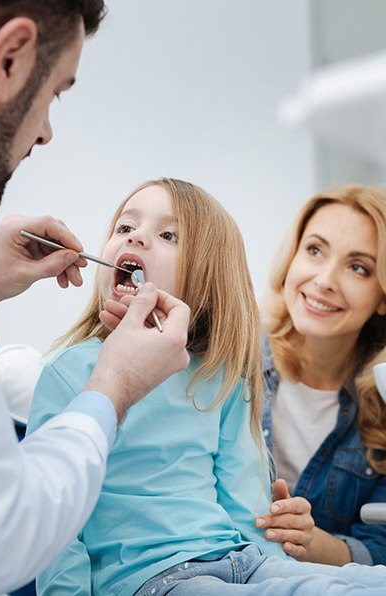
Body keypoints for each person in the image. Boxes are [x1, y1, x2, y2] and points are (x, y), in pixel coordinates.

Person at [0, 3, 190, 595]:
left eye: (168, 235)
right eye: (55, 91)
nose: (47, 131)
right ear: (9, 56)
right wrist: (114, 385)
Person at [28, 178, 386, 595]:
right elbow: (54, 529)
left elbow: (245, 510)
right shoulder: (67, 376)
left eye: (168, 235)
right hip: (153, 580)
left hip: (240, 561)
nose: (137, 237)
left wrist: (294, 574)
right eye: (125, 228)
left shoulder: (221, 374)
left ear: (205, 276)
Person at [255, 185, 386, 567]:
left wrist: (312, 543)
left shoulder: (382, 402)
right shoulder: (230, 362)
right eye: (315, 250)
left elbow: (380, 547)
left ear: (382, 298)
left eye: (358, 267)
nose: (325, 280)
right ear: (292, 258)